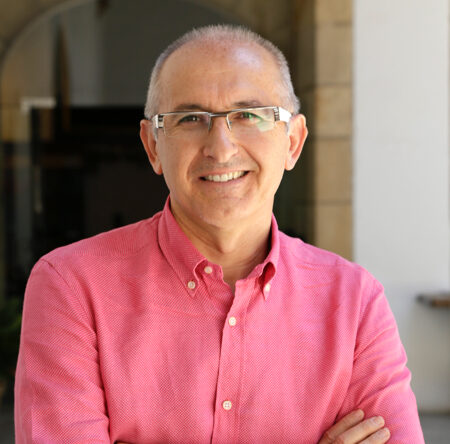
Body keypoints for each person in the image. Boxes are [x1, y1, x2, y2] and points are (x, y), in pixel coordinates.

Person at [15, 25, 424, 443]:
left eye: (249, 115)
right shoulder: (71, 286)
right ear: (153, 146)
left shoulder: (355, 302)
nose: (221, 148)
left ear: (293, 142)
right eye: (190, 119)